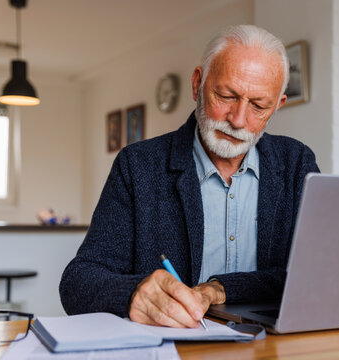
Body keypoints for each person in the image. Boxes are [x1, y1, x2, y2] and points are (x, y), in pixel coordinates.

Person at [60, 25, 319, 329]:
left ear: (277, 107)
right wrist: (132, 294)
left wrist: (220, 288)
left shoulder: (297, 163)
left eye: (258, 106)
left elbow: (314, 275)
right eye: (225, 96)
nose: (238, 120)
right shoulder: (139, 165)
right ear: (197, 84)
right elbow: (78, 281)